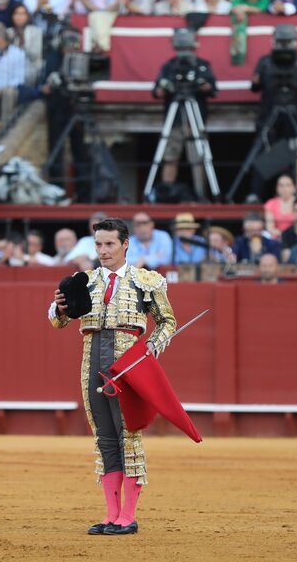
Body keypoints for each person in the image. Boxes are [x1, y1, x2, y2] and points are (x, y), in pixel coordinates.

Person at [48, 217, 177, 536]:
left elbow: (167, 322)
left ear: (125, 244)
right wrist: (61, 310)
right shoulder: (83, 281)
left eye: (109, 244)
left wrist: (149, 350)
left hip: (127, 365)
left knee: (128, 436)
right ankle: (111, 514)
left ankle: (128, 516)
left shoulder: (147, 280)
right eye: (98, 245)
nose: (103, 251)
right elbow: (58, 321)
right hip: (91, 360)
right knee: (104, 437)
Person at [247, 24, 297, 200]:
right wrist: (257, 79)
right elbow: (255, 87)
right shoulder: (265, 61)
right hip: (270, 115)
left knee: (293, 154)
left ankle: (294, 194)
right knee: (264, 153)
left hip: (292, 115)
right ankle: (256, 193)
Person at [151, 29, 217, 201]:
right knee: (170, 156)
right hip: (175, 120)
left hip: (195, 118)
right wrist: (166, 87)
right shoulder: (169, 66)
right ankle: (165, 194)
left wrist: (202, 85)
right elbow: (157, 91)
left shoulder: (202, 65)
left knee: (198, 158)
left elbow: (212, 89)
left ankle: (201, 194)